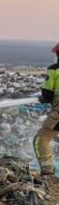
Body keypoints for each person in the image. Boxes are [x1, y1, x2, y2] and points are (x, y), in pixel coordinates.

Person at [34, 43, 59, 177]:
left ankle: (48, 172)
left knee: (41, 139)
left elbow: (48, 95)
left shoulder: (54, 70)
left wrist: (43, 98)